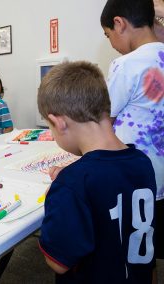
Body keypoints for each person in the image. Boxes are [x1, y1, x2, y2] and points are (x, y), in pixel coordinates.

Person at [38, 61, 156, 283]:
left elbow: (58, 263)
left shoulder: (72, 184)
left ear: (58, 122)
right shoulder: (142, 162)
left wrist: (58, 196)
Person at [101, 0, 164, 260]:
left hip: (135, 180)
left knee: (136, 255)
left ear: (119, 23)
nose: (112, 44)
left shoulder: (125, 64)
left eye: (108, 36)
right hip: (161, 178)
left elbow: (103, 120)